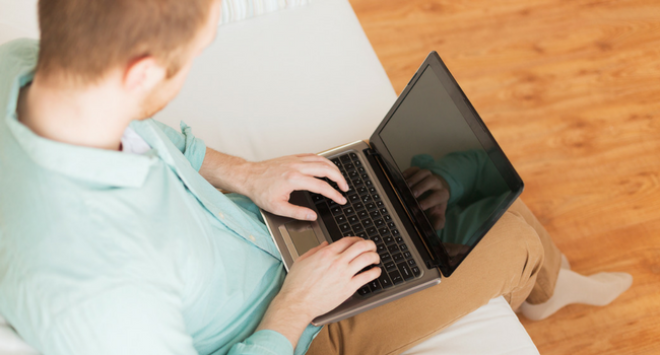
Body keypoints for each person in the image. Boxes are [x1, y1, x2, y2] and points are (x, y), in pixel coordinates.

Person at [0, 1, 632, 354]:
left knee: (435, 197)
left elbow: (144, 132)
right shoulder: (101, 299)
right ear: (140, 73)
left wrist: (245, 174)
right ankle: (547, 286)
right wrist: (296, 304)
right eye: (192, 58)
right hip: (287, 330)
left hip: (258, 237)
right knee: (512, 235)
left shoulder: (27, 70)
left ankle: (545, 274)